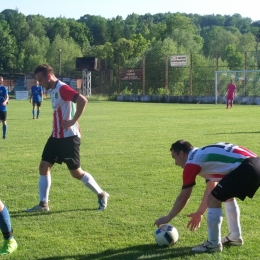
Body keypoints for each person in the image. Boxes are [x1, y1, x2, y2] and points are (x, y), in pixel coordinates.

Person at [24, 64, 109, 212]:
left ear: (48, 76)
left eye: (40, 79)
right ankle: (43, 205)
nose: (39, 83)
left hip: (69, 138)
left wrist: (72, 120)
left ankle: (101, 194)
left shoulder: (62, 88)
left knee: (76, 173)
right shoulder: (53, 89)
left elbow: (82, 100)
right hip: (55, 136)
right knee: (44, 166)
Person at [154, 140, 260, 253]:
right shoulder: (202, 155)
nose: (175, 163)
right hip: (255, 163)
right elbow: (211, 188)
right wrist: (199, 213)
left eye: (174, 157)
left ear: (181, 153)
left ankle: (213, 244)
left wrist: (168, 217)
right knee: (225, 196)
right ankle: (235, 237)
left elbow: (184, 196)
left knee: (214, 200)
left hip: (248, 167)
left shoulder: (192, 162)